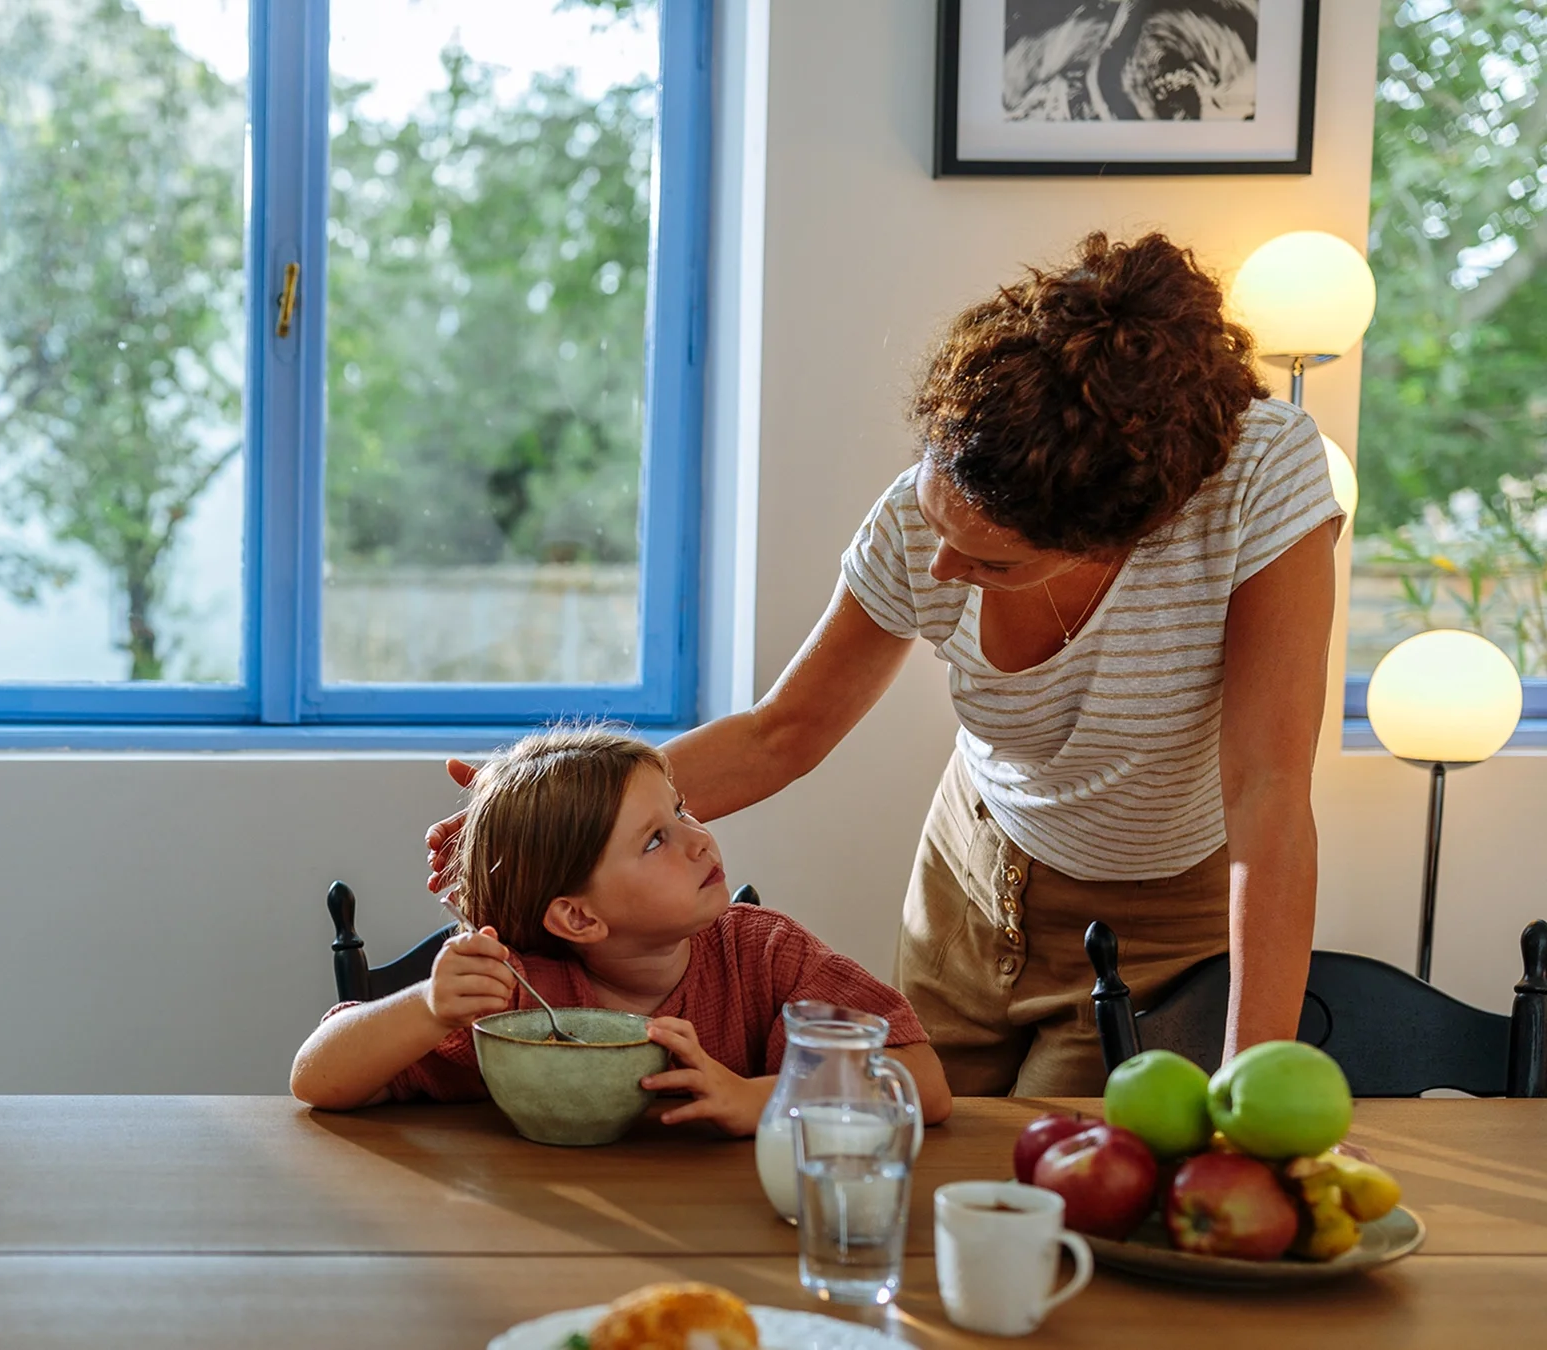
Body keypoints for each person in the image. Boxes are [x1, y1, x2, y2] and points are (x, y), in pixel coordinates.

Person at [428, 233, 1341, 1098]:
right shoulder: (924, 517)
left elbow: (1267, 792)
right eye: (939, 523)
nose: (943, 572)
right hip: (972, 878)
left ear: (1111, 538)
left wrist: (1249, 1092)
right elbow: (783, 733)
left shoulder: (1262, 479)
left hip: (1149, 920)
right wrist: (541, 803)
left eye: (993, 564)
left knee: (1043, 1182)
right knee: (912, 1146)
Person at [294, 727, 952, 1132]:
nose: (699, 840)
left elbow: (923, 1081)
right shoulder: (519, 995)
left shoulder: (766, 953)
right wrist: (428, 1006)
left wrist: (764, 1102)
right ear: (578, 917)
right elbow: (315, 1078)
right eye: (654, 841)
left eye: (682, 811)